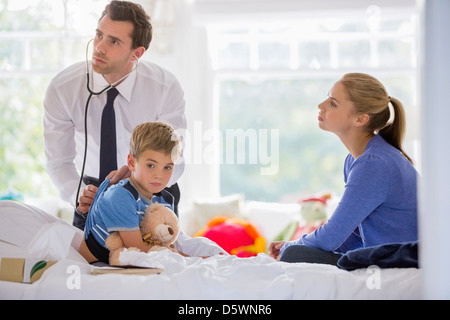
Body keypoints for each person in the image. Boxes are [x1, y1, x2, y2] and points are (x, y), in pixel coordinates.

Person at [44, 1, 186, 230]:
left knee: (160, 263)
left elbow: (176, 160)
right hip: (91, 191)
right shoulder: (63, 88)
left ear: (136, 53)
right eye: (99, 35)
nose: (99, 47)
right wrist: (77, 194)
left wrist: (136, 186)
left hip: (152, 191)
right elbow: (58, 161)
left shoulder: (165, 88)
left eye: (114, 41)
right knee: (84, 264)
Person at [269, 73, 418, 265]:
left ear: (360, 119)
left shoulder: (374, 164)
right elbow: (354, 233)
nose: (321, 105)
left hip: (399, 261)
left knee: (294, 255)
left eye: (333, 103)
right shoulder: (356, 160)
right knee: (297, 252)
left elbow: (331, 235)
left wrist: (293, 247)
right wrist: (297, 245)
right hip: (382, 257)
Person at [79, 122, 225, 263]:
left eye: (167, 167)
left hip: (128, 263)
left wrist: (184, 255)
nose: (159, 175)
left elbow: (165, 244)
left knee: (203, 244)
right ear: (131, 162)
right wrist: (192, 260)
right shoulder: (120, 195)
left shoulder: (164, 199)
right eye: (151, 165)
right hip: (97, 261)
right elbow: (137, 248)